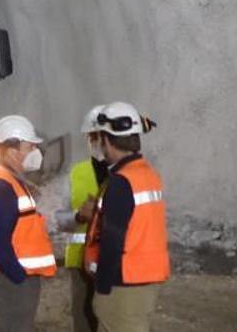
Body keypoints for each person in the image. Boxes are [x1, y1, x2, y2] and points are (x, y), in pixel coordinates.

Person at [84, 102, 166, 332]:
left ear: (108, 140)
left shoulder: (121, 183)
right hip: (145, 279)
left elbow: (113, 238)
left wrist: (102, 286)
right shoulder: (146, 173)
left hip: (124, 283)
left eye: (100, 139)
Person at [0, 115, 56, 332]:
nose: (34, 153)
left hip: (15, 278)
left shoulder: (8, 181)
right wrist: (18, 276)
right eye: (30, 147)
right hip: (11, 281)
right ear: (11, 151)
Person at [62, 105, 110, 332]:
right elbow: (59, 219)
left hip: (117, 258)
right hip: (81, 260)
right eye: (92, 136)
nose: (95, 141)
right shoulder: (76, 173)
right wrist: (79, 215)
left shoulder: (126, 172)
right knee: (83, 315)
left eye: (100, 136)